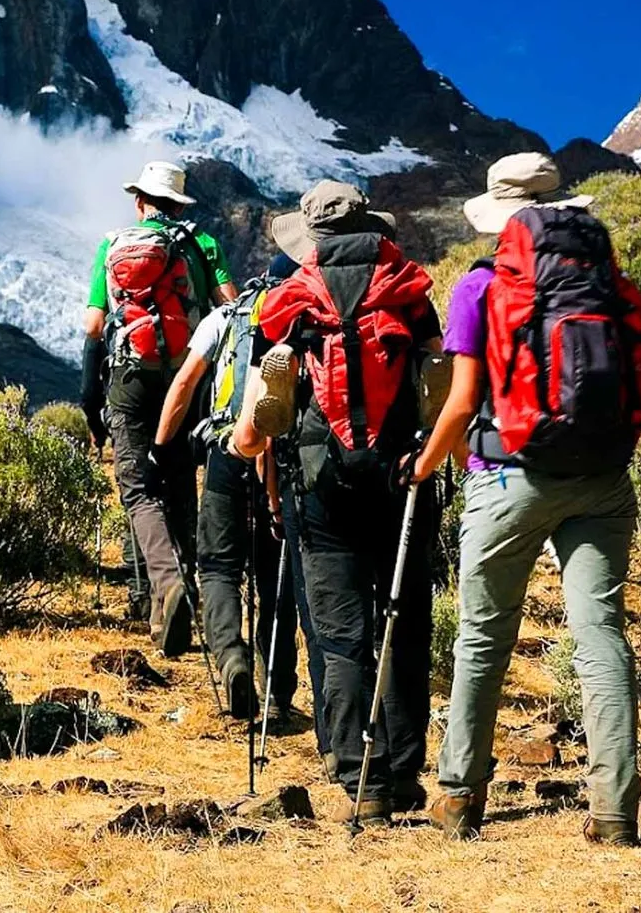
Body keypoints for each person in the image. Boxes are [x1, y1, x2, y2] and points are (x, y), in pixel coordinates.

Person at [411, 152, 641, 844]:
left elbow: (465, 397)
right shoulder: (609, 282)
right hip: (601, 477)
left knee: (482, 634)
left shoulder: (480, 287)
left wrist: (423, 464)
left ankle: (458, 795)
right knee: (600, 633)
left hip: (507, 477)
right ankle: (616, 809)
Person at [251, 181, 443, 825]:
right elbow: (436, 380)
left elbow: (257, 424)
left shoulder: (288, 302)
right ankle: (403, 766)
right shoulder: (408, 289)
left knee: (340, 636)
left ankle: (361, 779)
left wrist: (267, 469)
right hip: (402, 476)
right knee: (404, 620)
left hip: (318, 475)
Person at [82, 160, 238, 657]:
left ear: (140, 202)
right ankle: (182, 594)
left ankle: (162, 590)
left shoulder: (112, 245)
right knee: (176, 482)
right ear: (178, 204)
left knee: (137, 491)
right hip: (183, 380)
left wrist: (91, 400)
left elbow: (91, 326)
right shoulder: (202, 244)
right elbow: (231, 308)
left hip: (128, 379)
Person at [154, 254, 303, 722]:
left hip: (226, 453)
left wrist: (161, 446)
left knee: (218, 566)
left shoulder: (227, 314)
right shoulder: (300, 317)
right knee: (273, 573)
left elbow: (184, 382)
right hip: (279, 459)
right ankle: (277, 692)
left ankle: (231, 658)